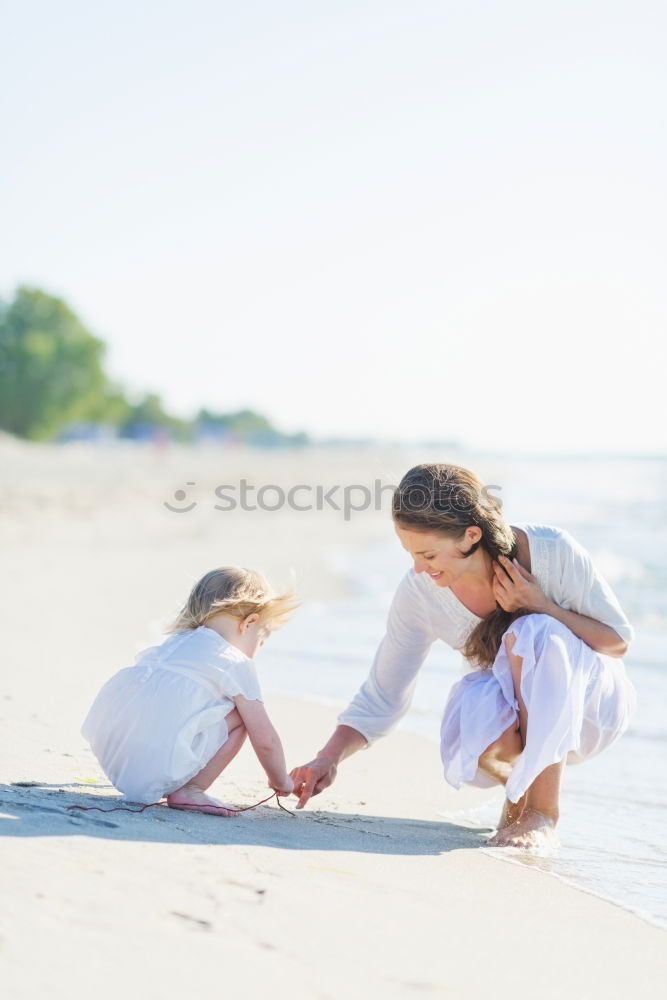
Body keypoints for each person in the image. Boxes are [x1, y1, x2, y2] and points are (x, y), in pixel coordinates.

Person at [290, 464, 637, 849]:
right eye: (410, 553)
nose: (419, 568)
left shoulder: (552, 551)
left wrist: (541, 605)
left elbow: (617, 641)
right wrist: (329, 758)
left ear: (471, 536)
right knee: (473, 701)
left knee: (534, 632)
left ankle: (542, 813)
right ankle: (519, 796)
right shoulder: (420, 593)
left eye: (428, 554)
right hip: (514, 720)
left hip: (589, 706)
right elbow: (384, 693)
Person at [82, 567, 298, 814]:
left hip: (115, 758)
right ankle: (191, 789)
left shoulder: (174, 644)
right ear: (249, 623)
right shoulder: (235, 662)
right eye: (261, 641)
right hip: (158, 764)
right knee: (243, 715)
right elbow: (266, 740)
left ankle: (156, 777)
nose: (257, 650)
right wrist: (281, 780)